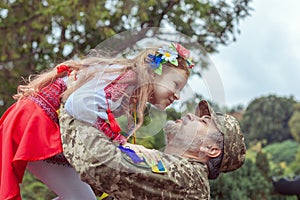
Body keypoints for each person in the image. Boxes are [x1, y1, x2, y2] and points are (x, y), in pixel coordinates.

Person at [0, 42, 194, 200]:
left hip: (44, 123)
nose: (177, 95)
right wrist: (115, 142)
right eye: (175, 85)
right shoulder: (126, 79)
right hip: (39, 125)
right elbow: (77, 106)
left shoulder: (128, 86)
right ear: (154, 74)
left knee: (80, 195)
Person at [59, 100, 246, 199]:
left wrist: (73, 107)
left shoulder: (188, 178)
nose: (190, 115)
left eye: (204, 121)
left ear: (211, 149)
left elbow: (98, 164)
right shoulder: (173, 170)